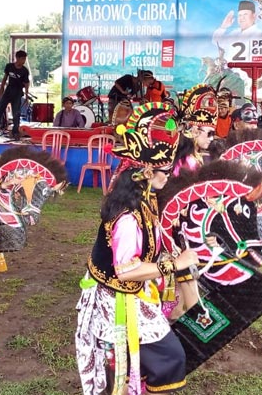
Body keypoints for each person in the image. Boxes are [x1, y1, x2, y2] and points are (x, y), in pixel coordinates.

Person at [75, 103, 197, 395]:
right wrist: (174, 265)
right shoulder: (128, 215)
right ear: (145, 170)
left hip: (130, 292)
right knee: (170, 358)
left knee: (140, 361)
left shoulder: (142, 197)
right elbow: (126, 269)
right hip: (117, 299)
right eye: (164, 170)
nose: (169, 175)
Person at [0, 50, 30, 140]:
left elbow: (26, 83)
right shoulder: (9, 66)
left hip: (18, 92)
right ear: (17, 58)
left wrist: (27, 95)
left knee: (16, 113)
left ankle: (15, 132)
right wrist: (1, 88)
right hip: (8, 90)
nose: (24, 61)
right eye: (22, 59)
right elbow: (5, 78)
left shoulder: (24, 71)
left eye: (25, 59)